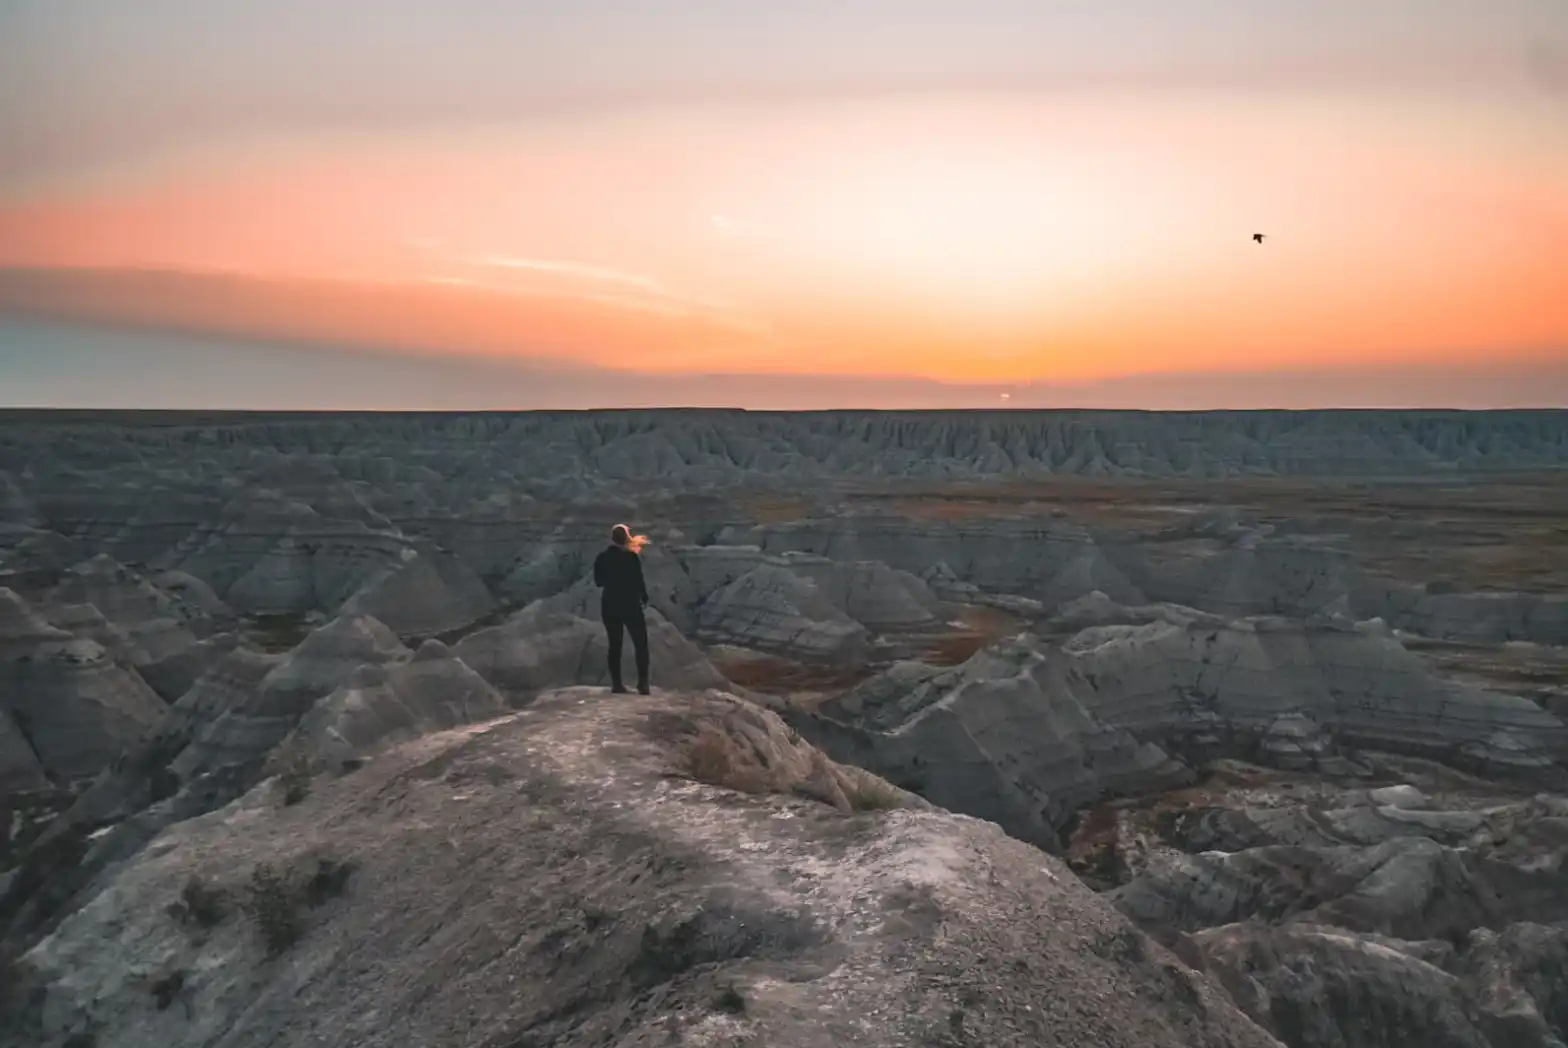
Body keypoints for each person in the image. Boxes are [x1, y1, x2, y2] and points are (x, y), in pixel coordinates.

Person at [592, 523, 651, 694]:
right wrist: (643, 597)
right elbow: (639, 582)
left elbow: (598, 582)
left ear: (612, 538)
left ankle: (617, 684)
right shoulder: (632, 558)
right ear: (626, 538)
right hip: (630, 604)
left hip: (610, 604)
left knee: (615, 644)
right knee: (641, 644)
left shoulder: (601, 558)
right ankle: (643, 684)